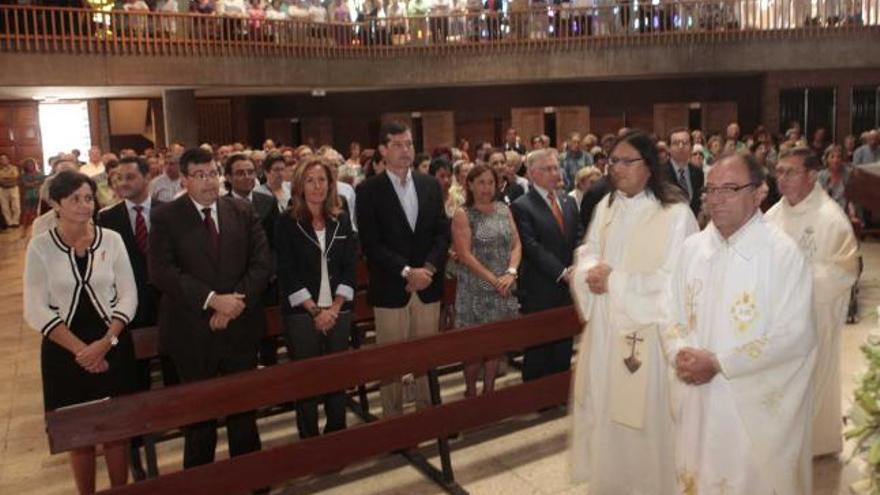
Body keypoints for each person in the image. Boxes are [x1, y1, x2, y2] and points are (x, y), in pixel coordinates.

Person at [663, 153, 816, 495]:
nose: (716, 200)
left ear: (761, 192)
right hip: (697, 401)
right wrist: (678, 352)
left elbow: (795, 334)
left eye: (730, 189)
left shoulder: (782, 254)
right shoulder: (692, 249)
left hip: (748, 407)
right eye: (711, 190)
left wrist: (720, 363)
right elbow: (669, 310)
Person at [568, 130, 697, 493]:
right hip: (607, 330)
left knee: (644, 422)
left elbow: (678, 280)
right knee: (607, 412)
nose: (617, 169)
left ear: (649, 167)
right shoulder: (608, 205)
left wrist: (617, 281)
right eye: (613, 161)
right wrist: (588, 272)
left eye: (627, 161)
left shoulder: (675, 213)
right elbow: (589, 249)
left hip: (648, 337)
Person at [149, 147, 271, 469]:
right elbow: (163, 272)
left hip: (240, 328)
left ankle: (251, 478)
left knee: (243, 411)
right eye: (200, 175)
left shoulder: (241, 211)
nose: (208, 182)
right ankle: (199, 483)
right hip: (192, 330)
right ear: (185, 180)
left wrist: (232, 304)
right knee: (199, 418)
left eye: (212, 174)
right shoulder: (165, 217)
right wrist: (212, 300)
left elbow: (262, 264)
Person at [24, 170, 138, 494]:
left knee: (118, 431)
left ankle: (121, 489)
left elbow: (129, 296)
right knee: (80, 436)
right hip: (64, 350)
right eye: (75, 199)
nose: (84, 205)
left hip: (114, 343)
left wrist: (104, 344)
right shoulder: (41, 248)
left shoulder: (111, 240)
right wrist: (82, 351)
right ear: (56, 204)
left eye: (88, 197)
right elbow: (35, 309)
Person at [765, 147, 859, 457]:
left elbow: (845, 272)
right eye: (778, 171)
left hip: (813, 318)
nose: (782, 178)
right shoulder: (772, 216)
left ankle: (816, 444)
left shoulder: (831, 219)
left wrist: (795, 279)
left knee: (813, 379)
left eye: (789, 172)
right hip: (775, 322)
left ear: (810, 176)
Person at [356, 121, 450, 417]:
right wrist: (408, 271)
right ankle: (392, 421)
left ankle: (427, 414)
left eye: (408, 144)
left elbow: (441, 233)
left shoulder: (430, 184)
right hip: (391, 286)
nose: (405, 150)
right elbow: (371, 244)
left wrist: (429, 269)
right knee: (391, 361)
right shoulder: (368, 190)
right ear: (383, 150)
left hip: (428, 284)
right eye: (397, 144)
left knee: (426, 357)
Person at [276, 156, 356, 437]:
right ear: (299, 185)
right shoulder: (286, 222)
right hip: (302, 313)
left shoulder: (341, 218)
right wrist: (315, 311)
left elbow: (349, 265)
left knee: (336, 376)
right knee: (307, 380)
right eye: (310, 180)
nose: (317, 186)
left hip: (338, 309)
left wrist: (334, 308)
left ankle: (336, 435)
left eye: (322, 179)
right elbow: (286, 271)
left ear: (330, 184)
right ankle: (309, 439)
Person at [510, 148, 582, 382]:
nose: (555, 172)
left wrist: (577, 265)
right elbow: (531, 246)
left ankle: (558, 391)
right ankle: (536, 396)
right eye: (548, 168)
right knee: (539, 346)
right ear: (532, 174)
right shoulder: (522, 206)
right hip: (541, 286)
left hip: (568, 286)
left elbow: (578, 236)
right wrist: (561, 272)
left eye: (556, 167)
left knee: (563, 343)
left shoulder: (567, 200)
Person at [451, 164, 521, 397]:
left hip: (503, 285)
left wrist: (510, 272)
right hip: (476, 289)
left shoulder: (503, 209)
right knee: (474, 346)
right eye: (480, 182)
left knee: (495, 344)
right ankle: (471, 391)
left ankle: (489, 390)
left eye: (490, 182)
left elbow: (516, 244)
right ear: (469, 184)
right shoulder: (463, 213)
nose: (486, 188)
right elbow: (464, 255)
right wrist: (494, 279)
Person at [666, 127, 705, 216]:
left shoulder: (698, 173)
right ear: (668, 148)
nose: (681, 146)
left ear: (691, 147)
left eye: (685, 143)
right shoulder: (659, 174)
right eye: (676, 143)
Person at [19, 158, 44, 238]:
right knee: (27, 213)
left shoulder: (40, 174)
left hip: (38, 195)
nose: (30, 166)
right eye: (28, 165)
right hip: (29, 196)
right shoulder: (24, 175)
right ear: (25, 166)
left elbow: (42, 182)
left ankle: (36, 231)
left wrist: (33, 184)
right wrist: (35, 183)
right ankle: (24, 230)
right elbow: (26, 185)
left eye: (32, 164)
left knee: (36, 213)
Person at [0, 153, 21, 227]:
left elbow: (15, 177)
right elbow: (1, 180)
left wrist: (5, 178)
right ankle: (9, 223)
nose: (3, 160)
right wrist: (9, 177)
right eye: (1, 159)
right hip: (2, 189)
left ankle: (15, 222)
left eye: (5, 159)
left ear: (8, 160)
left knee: (16, 206)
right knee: (4, 207)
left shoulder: (14, 168)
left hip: (13, 188)